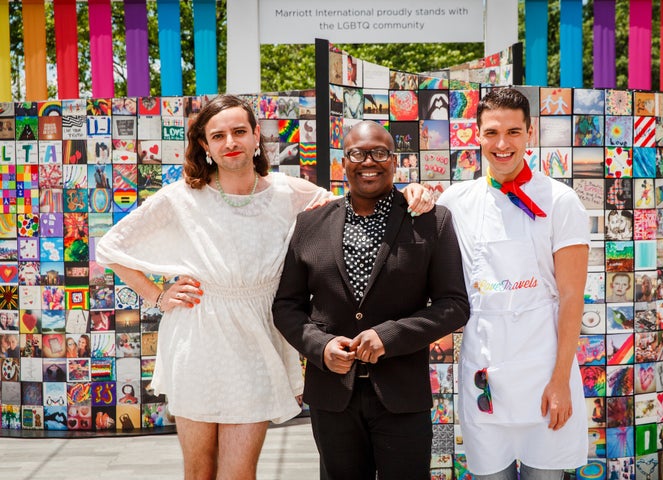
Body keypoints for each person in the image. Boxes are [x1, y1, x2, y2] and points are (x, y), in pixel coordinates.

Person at [94, 95, 433, 480]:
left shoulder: (290, 192)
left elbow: (356, 202)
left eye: (239, 131)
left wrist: (408, 191)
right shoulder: (181, 197)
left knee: (239, 472)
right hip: (198, 337)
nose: (230, 142)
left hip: (257, 338)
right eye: (217, 135)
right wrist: (158, 295)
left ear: (257, 136)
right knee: (199, 471)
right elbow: (111, 247)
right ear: (204, 145)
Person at [272, 120, 469, 480]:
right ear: (342, 163)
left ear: (394, 161)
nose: (369, 161)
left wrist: (389, 336)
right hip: (333, 397)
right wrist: (321, 345)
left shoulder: (430, 221)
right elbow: (286, 307)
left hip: (402, 395)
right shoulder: (308, 225)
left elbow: (454, 305)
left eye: (380, 153)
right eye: (358, 153)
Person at [437, 88, 589, 479]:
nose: (502, 144)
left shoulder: (560, 201)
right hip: (484, 374)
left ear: (530, 133)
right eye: (491, 133)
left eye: (513, 132)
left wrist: (560, 381)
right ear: (476, 135)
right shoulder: (456, 200)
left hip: (544, 374)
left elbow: (572, 297)